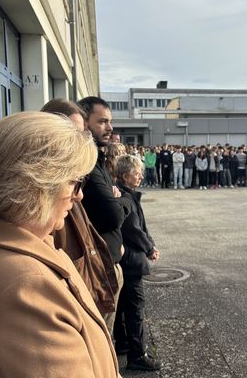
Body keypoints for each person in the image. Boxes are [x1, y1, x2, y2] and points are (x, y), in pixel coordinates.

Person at [0, 112, 119, 377]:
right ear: (36, 187)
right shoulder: (27, 288)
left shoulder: (13, 245)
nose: (79, 195)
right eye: (75, 182)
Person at [41, 99, 119, 331]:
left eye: (81, 132)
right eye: (72, 133)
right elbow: (111, 214)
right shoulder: (44, 191)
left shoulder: (80, 171)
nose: (79, 195)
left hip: (91, 279)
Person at [77, 96, 130, 337]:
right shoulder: (87, 165)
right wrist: (123, 199)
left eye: (110, 122)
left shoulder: (97, 159)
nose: (110, 128)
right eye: (103, 122)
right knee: (101, 336)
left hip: (105, 262)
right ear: (85, 123)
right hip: (98, 268)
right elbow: (113, 215)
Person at [114, 155, 162, 371]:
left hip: (127, 258)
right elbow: (134, 229)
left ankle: (124, 344)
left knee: (124, 305)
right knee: (135, 309)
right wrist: (150, 248)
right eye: (137, 173)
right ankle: (137, 355)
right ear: (125, 176)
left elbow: (141, 227)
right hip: (131, 261)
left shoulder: (127, 195)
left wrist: (150, 243)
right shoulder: (126, 198)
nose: (141, 176)